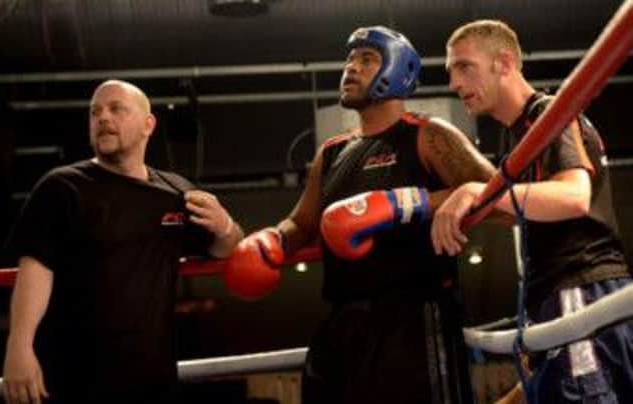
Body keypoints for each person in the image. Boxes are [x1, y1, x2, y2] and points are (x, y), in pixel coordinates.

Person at [222, 26, 496, 404]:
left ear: (398, 69)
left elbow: (496, 194)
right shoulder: (331, 153)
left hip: (416, 316)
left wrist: (403, 203)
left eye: (366, 59)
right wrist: (272, 239)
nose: (350, 68)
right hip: (343, 321)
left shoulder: (429, 136)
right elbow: (302, 223)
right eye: (349, 60)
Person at [2, 79, 243, 404]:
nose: (102, 117)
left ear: (148, 125)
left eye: (116, 109)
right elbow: (35, 268)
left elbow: (227, 248)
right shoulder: (62, 187)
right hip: (72, 378)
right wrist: (19, 346)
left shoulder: (175, 193)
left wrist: (225, 225)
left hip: (152, 380)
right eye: (95, 112)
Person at [432, 19, 633, 403]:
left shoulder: (549, 113)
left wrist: (478, 192)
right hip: (565, 295)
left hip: (581, 287)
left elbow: (574, 196)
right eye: (450, 71)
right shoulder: (516, 135)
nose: (455, 83)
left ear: (503, 63)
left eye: (464, 66)